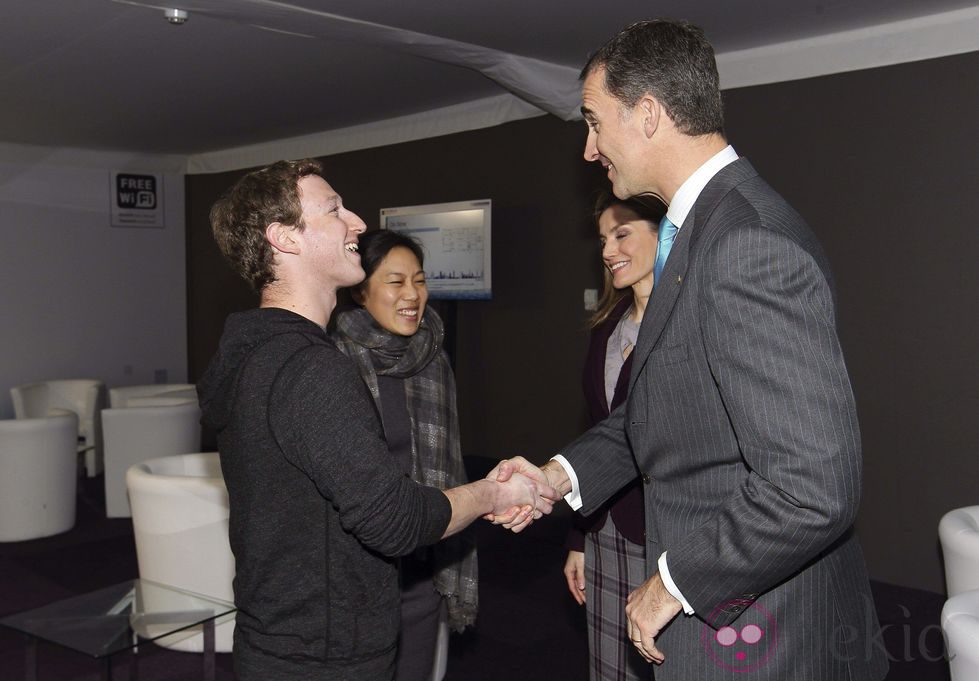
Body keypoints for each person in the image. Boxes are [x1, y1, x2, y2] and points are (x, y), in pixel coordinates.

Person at [492, 19, 889, 681]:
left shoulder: (744, 243)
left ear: (647, 114)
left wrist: (670, 584)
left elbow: (812, 486)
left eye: (593, 122)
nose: (589, 150)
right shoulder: (696, 230)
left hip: (768, 642)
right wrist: (557, 477)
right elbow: (660, 402)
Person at [198, 158, 555, 681]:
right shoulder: (308, 369)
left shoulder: (256, 354)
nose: (357, 222)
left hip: (278, 641)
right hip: (326, 658)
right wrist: (494, 493)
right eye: (335, 209)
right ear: (285, 239)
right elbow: (394, 521)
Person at [331, 229, 477, 681]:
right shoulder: (332, 363)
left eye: (420, 279)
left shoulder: (433, 360)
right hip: (354, 573)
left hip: (422, 563)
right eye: (396, 282)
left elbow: (449, 466)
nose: (413, 295)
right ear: (360, 290)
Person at [563, 191, 664, 681]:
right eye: (603, 239)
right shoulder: (606, 329)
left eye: (621, 234)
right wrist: (579, 536)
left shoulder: (691, 325)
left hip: (670, 536)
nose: (607, 250)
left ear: (663, 235)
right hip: (606, 528)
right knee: (609, 668)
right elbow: (599, 435)